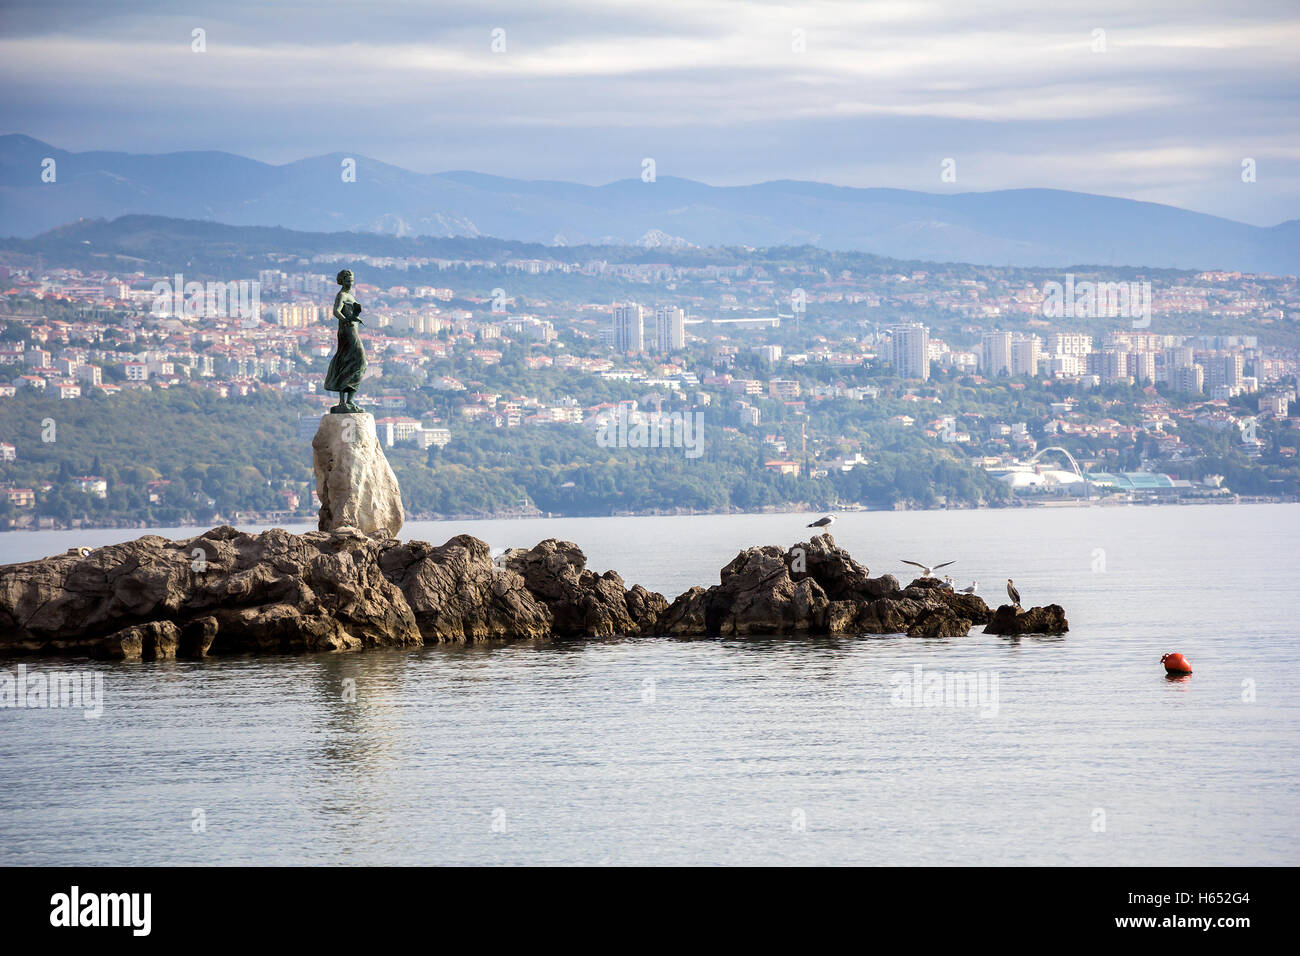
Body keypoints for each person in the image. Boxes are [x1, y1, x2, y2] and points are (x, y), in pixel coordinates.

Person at [324, 269, 367, 412]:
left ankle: (348, 401)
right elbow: (336, 311)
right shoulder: (342, 295)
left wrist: (355, 317)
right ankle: (345, 401)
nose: (350, 283)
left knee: (350, 362)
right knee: (359, 361)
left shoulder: (350, 295)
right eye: (348, 280)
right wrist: (347, 320)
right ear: (342, 281)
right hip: (347, 332)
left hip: (352, 330)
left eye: (352, 280)